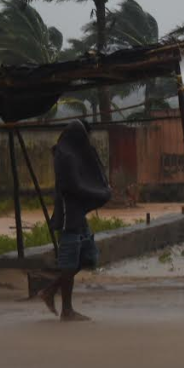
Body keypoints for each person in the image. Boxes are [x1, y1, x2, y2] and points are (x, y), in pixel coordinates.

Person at [39, 120, 111, 322]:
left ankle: (50, 290)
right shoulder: (65, 157)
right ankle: (67, 310)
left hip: (77, 214)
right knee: (70, 261)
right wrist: (101, 192)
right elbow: (74, 187)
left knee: (88, 257)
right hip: (68, 216)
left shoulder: (73, 155)